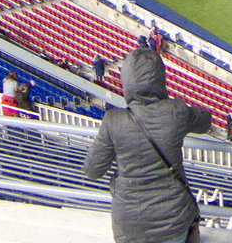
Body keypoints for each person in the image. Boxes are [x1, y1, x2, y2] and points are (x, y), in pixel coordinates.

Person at [83, 47, 211, 243]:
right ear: (160, 79)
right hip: (174, 220)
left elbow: (92, 171)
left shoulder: (113, 120)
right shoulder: (176, 111)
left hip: (129, 224)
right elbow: (205, 120)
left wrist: (120, 177)